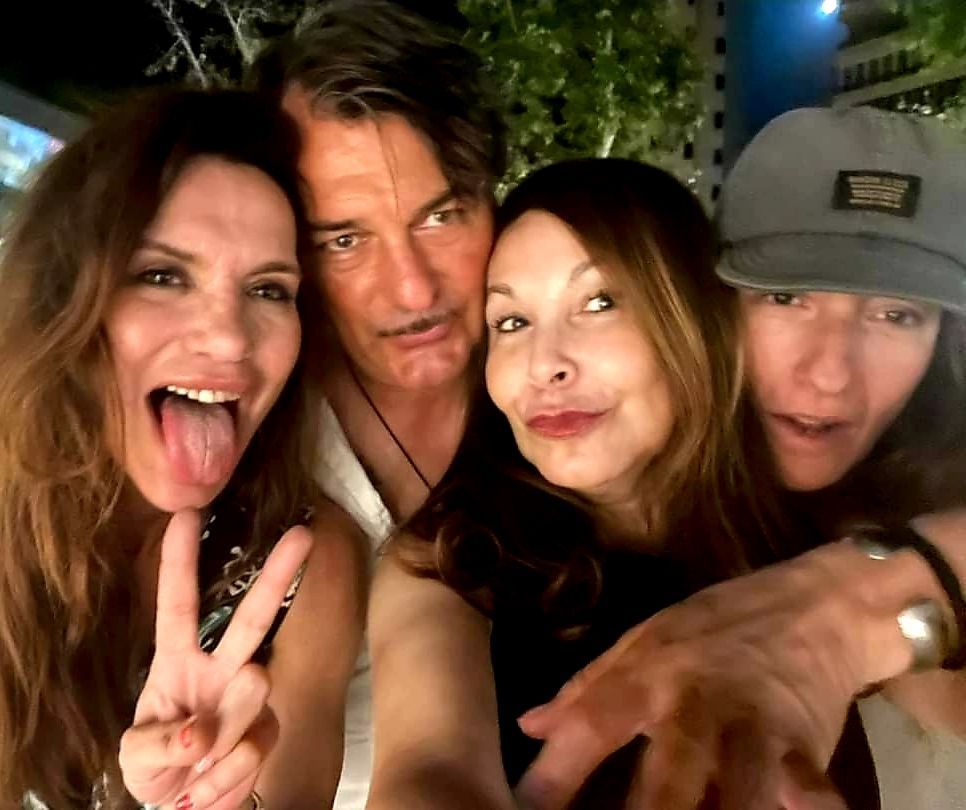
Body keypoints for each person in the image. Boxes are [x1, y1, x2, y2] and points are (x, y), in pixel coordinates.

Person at [507, 107, 966, 810]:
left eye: (896, 315)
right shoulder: (568, 500)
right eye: (785, 297)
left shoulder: (920, 486)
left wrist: (866, 594)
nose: (830, 373)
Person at [365, 157, 847, 809]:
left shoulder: (825, 533)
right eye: (512, 322)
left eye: (599, 303)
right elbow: (429, 766)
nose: (544, 365)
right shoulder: (449, 556)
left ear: (695, 320)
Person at [0, 88, 363, 810]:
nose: (228, 338)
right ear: (67, 298)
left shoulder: (302, 562)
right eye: (162, 276)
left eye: (269, 289)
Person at [250, 3, 503, 806]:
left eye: (441, 216)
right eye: (345, 240)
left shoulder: (566, 402)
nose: (413, 290)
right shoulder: (243, 418)